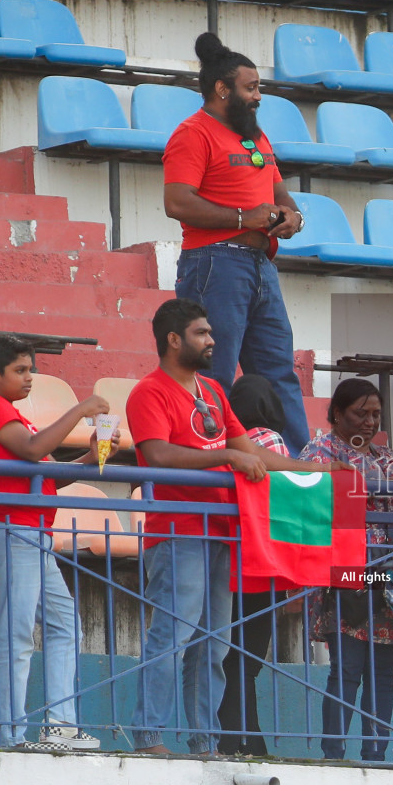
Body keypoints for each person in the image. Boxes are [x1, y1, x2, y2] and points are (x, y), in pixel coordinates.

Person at [127, 300, 339, 756]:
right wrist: (225, 456)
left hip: (223, 533)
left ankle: (204, 741)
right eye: (202, 333)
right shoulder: (149, 392)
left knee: (214, 645)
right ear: (173, 339)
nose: (212, 341)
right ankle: (148, 738)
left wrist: (317, 470)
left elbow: (255, 454)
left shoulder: (214, 392)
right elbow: (158, 456)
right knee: (172, 637)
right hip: (180, 532)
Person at [162, 31, 310, 453]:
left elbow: (280, 194)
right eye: (251, 88)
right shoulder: (193, 133)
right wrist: (246, 217)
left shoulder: (257, 137)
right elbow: (176, 202)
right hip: (215, 264)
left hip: (262, 265)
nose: (259, 96)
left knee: (280, 372)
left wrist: (292, 218)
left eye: (258, 87)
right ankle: (211, 462)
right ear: (222, 89)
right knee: (214, 370)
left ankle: (298, 468)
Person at [0, 333, 120, 751]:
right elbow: (35, 450)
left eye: (30, 369)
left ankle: (61, 724)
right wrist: (81, 409)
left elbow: (48, 476)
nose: (29, 377)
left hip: (32, 533)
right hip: (11, 530)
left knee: (64, 624)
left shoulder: (16, 415)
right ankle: (8, 733)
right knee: (18, 633)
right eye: (20, 370)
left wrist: (90, 459)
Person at [302, 378, 393, 762]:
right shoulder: (319, 450)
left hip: (387, 581)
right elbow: (308, 498)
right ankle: (334, 755)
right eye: (361, 413)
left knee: (383, 676)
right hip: (343, 577)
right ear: (338, 413)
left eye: (376, 414)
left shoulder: (387, 457)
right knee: (347, 671)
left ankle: (376, 756)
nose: (370, 421)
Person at [218, 374, 290, 757]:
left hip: (226, 557)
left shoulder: (224, 442)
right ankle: (244, 740)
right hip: (259, 562)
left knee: (229, 657)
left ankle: (239, 737)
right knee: (245, 659)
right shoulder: (269, 439)